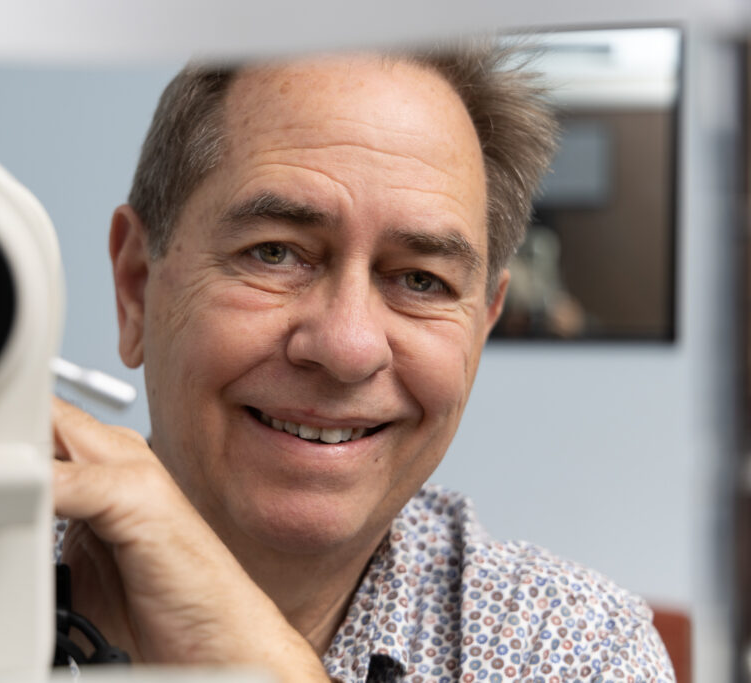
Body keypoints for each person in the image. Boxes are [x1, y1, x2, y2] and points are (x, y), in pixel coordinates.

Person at [51, 42, 675, 682]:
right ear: (134, 288)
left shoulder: (573, 648)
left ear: (482, 329)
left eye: (422, 281)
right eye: (274, 253)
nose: (348, 349)